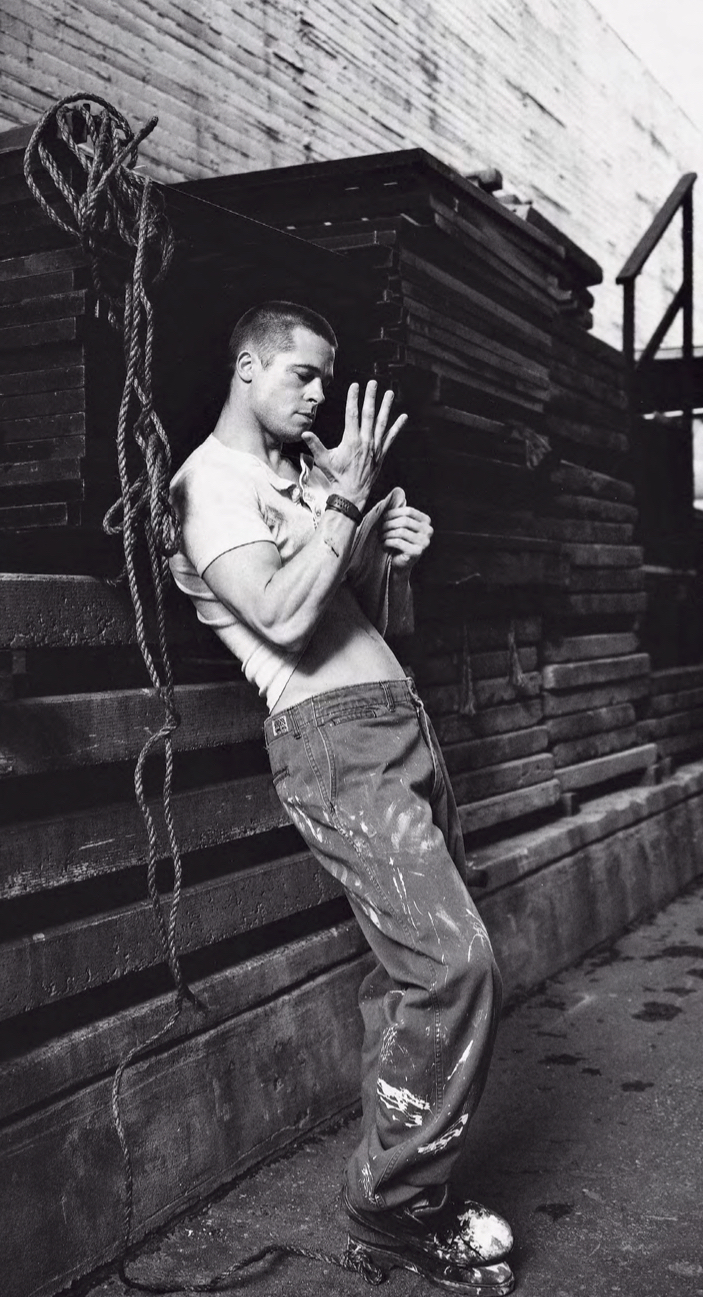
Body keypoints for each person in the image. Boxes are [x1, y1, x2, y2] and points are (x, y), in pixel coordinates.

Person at [168, 302, 514, 1297]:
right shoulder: (209, 484)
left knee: (408, 974)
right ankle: (392, 1211)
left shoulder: (295, 482)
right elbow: (277, 615)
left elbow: (359, 614)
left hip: (395, 720)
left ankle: (405, 1198)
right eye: (302, 375)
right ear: (246, 367)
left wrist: (386, 546)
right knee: (456, 967)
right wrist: (338, 507)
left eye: (328, 377)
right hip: (332, 743)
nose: (320, 395)